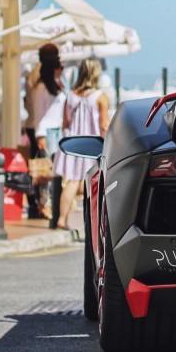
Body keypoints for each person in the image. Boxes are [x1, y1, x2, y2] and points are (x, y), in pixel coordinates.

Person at [53, 58, 110, 232]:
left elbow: (65, 124)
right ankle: (93, 225)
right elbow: (104, 126)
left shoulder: (70, 96)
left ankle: (62, 219)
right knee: (95, 183)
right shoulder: (100, 97)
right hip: (92, 144)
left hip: (72, 143)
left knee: (71, 181)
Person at [23, 44, 65, 219]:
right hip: (44, 131)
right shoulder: (40, 85)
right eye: (60, 67)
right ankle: (42, 204)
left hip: (55, 131)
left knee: (53, 170)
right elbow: (38, 112)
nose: (62, 69)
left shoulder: (55, 85)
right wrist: (40, 135)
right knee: (43, 171)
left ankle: (48, 203)